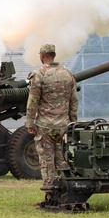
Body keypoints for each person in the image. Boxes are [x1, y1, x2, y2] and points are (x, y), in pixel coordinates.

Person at [25, 43, 78, 187]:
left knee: (47, 160)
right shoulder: (68, 74)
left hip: (45, 125)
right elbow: (74, 101)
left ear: (42, 56)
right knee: (62, 158)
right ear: (54, 55)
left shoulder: (39, 75)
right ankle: (66, 187)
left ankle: (50, 189)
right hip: (63, 125)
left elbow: (33, 101)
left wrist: (29, 122)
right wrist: (73, 122)